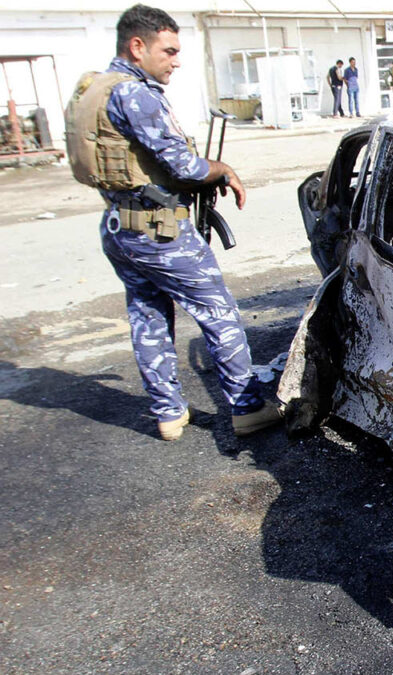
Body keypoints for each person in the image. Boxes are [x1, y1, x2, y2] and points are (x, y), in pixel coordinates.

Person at [63, 4, 282, 440]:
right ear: (137, 45)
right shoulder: (134, 93)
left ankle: (168, 413)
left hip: (120, 227)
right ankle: (247, 408)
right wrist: (221, 168)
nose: (176, 60)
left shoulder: (96, 87)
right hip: (159, 231)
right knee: (218, 312)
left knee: (147, 316)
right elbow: (183, 166)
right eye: (169, 51)